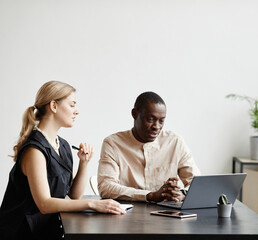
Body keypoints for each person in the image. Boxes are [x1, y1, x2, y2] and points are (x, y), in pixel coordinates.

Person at [0, 81, 126, 240]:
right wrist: (94, 204)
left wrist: (84, 163)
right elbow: (44, 204)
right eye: (72, 105)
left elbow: (75, 195)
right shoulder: (35, 151)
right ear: (53, 106)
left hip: (47, 228)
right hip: (22, 232)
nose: (77, 111)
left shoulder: (63, 145)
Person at [98, 91, 201, 202]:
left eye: (161, 121)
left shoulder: (175, 142)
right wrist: (150, 195)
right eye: (150, 119)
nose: (157, 127)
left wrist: (183, 194)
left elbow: (197, 183)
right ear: (134, 114)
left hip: (168, 215)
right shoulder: (113, 143)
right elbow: (105, 187)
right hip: (127, 215)